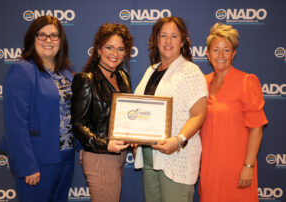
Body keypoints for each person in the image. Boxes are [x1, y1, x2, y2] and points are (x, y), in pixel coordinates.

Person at [0, 16, 76, 201]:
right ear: (32, 39)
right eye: (42, 35)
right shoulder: (22, 70)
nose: (48, 40)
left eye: (54, 35)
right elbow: (16, 123)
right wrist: (28, 166)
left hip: (65, 157)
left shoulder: (67, 73)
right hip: (38, 160)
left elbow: (73, 113)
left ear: (61, 40)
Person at [134, 16, 208, 202]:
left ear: (182, 41)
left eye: (174, 36)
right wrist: (134, 137)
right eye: (163, 35)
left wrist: (179, 140)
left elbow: (199, 114)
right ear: (156, 40)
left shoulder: (190, 71)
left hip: (176, 156)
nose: (168, 41)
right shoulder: (150, 71)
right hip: (150, 155)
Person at [199, 23, 268, 202]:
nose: (221, 55)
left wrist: (248, 165)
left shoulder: (247, 81)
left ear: (234, 54)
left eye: (226, 50)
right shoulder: (201, 84)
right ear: (207, 53)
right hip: (209, 168)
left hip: (237, 168)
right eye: (216, 50)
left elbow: (256, 130)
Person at [71, 23, 133, 202]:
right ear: (98, 49)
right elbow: (78, 125)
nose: (115, 54)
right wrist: (105, 144)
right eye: (109, 47)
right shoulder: (86, 80)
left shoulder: (122, 77)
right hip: (100, 157)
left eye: (120, 49)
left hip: (119, 155)